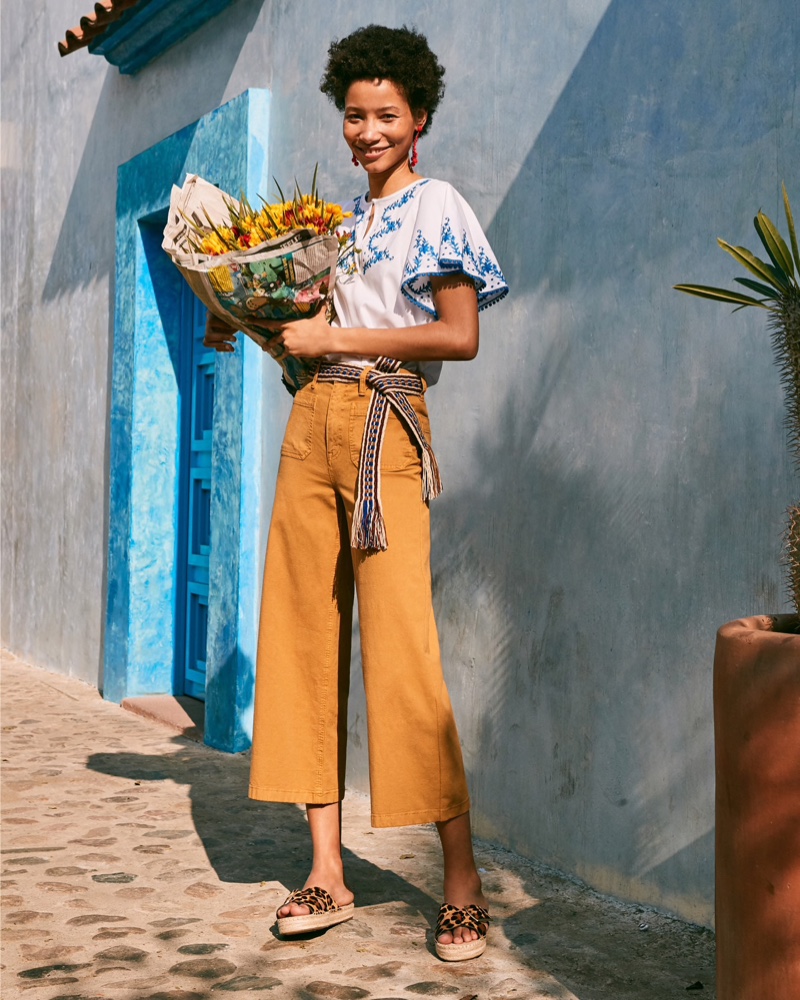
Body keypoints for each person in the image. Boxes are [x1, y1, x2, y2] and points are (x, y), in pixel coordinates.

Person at [204, 24, 508, 962]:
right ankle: (327, 874)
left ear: (419, 119)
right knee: (299, 639)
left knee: (403, 649)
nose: (366, 131)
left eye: (386, 115)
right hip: (312, 428)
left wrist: (334, 343)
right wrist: (251, 326)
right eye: (353, 115)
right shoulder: (343, 224)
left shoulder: (436, 206)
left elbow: (459, 337)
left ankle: (460, 886)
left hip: (386, 427)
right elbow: (323, 325)